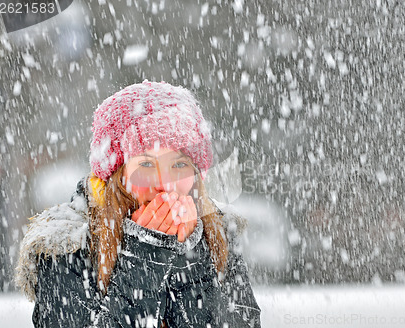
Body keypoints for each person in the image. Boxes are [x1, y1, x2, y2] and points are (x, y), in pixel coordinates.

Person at [14, 80, 261, 327]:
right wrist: (145, 256)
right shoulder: (68, 248)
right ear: (116, 177)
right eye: (145, 164)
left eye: (179, 164)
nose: (166, 185)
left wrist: (189, 257)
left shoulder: (216, 233)